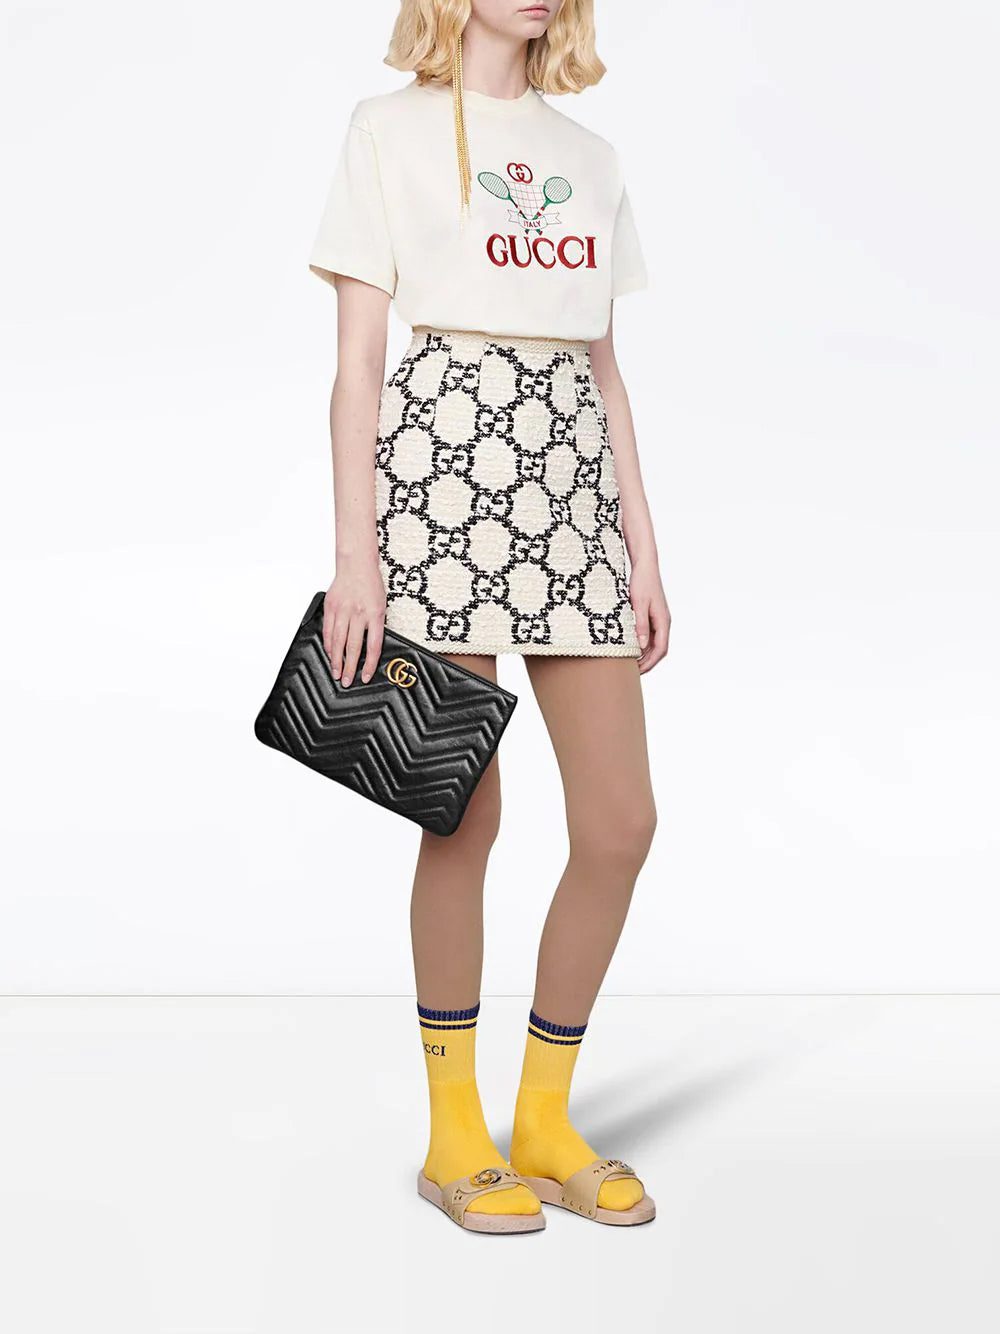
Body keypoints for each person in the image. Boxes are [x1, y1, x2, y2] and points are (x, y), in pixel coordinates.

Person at [308, 0, 670, 1232]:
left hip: (571, 490)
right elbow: (359, 364)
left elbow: (604, 370)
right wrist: (355, 557)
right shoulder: (385, 130)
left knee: (619, 822)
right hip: (440, 476)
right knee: (460, 809)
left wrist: (643, 548)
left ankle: (546, 1119)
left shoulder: (589, 158)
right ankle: (456, 1132)